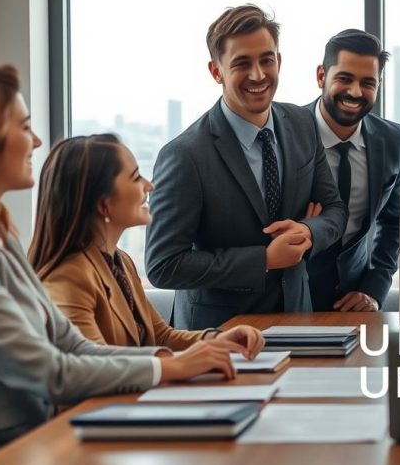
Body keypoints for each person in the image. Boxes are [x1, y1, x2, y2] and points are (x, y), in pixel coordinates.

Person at [0, 66, 239, 457]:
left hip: (28, 444)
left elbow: (73, 346)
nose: (36, 141)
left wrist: (180, 357)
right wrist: (172, 367)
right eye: (24, 127)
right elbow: (51, 372)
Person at [145, 4, 347, 328]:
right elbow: (163, 265)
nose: (258, 74)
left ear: (279, 61)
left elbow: (335, 209)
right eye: (242, 63)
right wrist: (264, 259)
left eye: (266, 60)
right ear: (216, 71)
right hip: (219, 334)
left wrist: (308, 231)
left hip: (297, 319)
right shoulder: (184, 155)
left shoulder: (302, 123)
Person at [29, 134, 266, 352]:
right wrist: (187, 363)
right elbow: (95, 366)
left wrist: (216, 338)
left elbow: (160, 336)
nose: (149, 186)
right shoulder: (69, 277)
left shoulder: (121, 261)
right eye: (135, 177)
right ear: (104, 204)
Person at [303, 30, 400, 312]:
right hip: (288, 299)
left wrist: (374, 289)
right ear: (321, 76)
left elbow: (395, 223)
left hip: (356, 303)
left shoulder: (394, 140)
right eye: (344, 78)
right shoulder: (286, 132)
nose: (355, 92)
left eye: (367, 82)